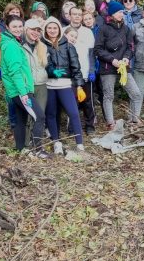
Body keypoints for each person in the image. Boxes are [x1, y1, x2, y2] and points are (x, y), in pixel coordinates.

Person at [0, 15, 47, 156]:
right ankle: (38, 150)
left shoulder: (12, 42)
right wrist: (24, 93)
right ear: (7, 27)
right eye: (14, 26)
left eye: (20, 26)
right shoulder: (11, 46)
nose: (18, 29)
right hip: (21, 90)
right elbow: (15, 72)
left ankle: (20, 149)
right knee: (39, 116)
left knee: (21, 119)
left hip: (18, 91)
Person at [94, 0, 143, 128]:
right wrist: (112, 60)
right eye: (119, 12)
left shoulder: (126, 29)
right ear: (112, 13)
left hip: (123, 67)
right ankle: (110, 122)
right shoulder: (103, 29)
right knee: (109, 95)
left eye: (122, 12)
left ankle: (134, 118)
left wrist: (126, 58)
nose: (122, 14)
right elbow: (98, 49)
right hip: (107, 68)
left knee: (136, 93)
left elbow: (131, 46)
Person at [42, 17, 85, 158]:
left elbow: (76, 67)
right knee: (51, 114)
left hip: (65, 85)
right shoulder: (41, 45)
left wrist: (79, 85)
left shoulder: (68, 45)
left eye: (55, 28)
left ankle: (80, 143)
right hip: (48, 85)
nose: (52, 30)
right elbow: (41, 66)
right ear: (46, 29)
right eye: (49, 28)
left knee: (73, 112)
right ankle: (56, 142)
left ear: (59, 30)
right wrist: (51, 72)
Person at [20, 18, 49, 146]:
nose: (36, 32)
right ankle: (26, 143)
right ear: (26, 30)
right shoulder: (20, 46)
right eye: (33, 29)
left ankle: (37, 143)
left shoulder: (42, 47)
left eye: (38, 30)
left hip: (41, 85)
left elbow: (46, 66)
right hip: (27, 87)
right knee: (28, 116)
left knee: (40, 115)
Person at [65, 20, 97, 134]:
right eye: (71, 35)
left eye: (75, 36)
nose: (73, 38)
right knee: (73, 102)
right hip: (71, 79)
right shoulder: (62, 48)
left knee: (88, 102)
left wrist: (91, 71)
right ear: (65, 35)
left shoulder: (82, 46)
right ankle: (72, 127)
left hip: (85, 76)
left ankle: (90, 125)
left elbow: (90, 57)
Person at [0, 3, 23, 83]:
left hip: (22, 65)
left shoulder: (24, 27)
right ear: (7, 13)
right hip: (8, 66)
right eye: (13, 12)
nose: (15, 14)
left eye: (17, 12)